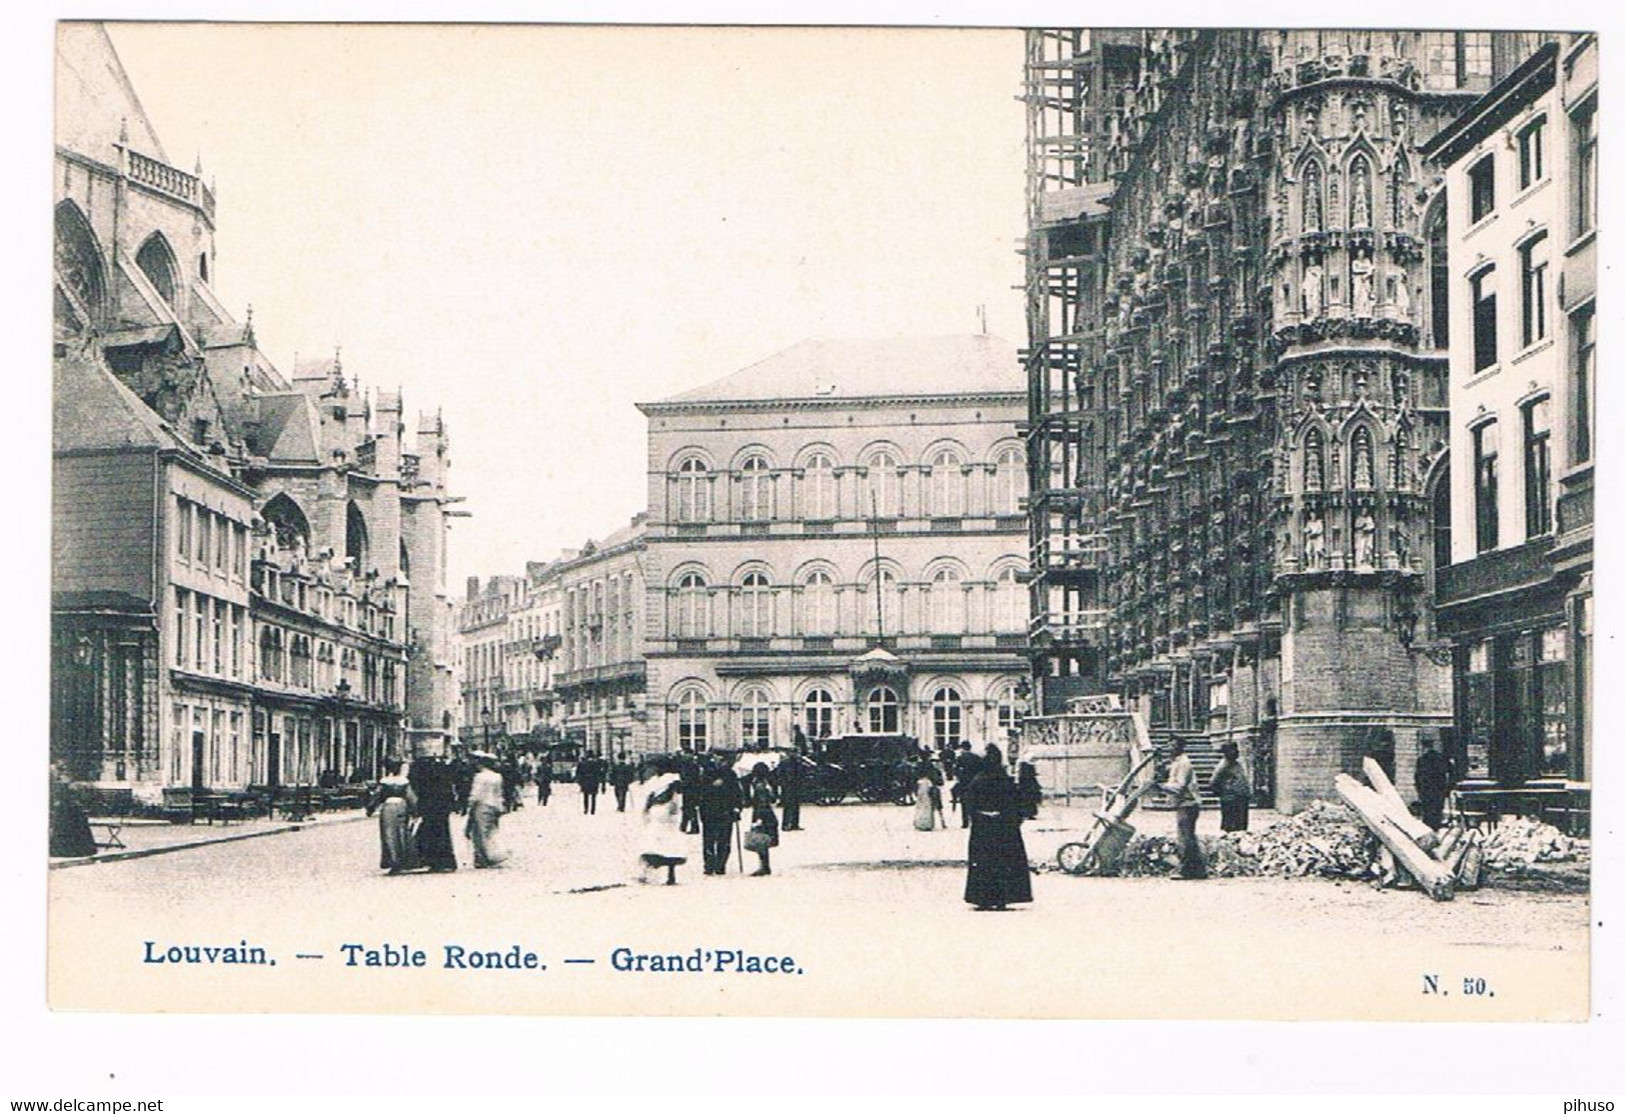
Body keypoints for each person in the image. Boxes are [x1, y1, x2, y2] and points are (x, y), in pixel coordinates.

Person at [962, 745, 1033, 911]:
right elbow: (1017, 804)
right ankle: (1003, 898)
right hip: (1004, 827)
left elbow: (970, 803)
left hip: (983, 826)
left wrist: (979, 816)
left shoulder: (978, 780)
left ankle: (983, 898)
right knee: (1004, 862)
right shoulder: (1005, 780)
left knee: (984, 862)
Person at [1155, 738, 1207, 880]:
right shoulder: (1176, 762)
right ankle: (1198, 870)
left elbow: (1180, 786)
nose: (1170, 749)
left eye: (1173, 746)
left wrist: (1161, 787)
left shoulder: (1184, 764)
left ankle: (1186, 870)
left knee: (1185, 839)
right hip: (1184, 804)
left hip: (1188, 804)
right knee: (1188, 837)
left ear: (1179, 748)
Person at [635, 759, 688, 885]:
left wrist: (648, 808)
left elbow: (663, 798)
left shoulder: (667, 781)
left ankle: (647, 873)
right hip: (664, 816)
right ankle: (670, 875)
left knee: (653, 844)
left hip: (662, 814)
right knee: (668, 846)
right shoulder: (666, 781)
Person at [367, 758, 418, 875]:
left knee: (389, 834)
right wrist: (415, 810)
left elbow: (377, 796)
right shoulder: (404, 781)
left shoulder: (385, 781)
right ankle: (405, 859)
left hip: (388, 808)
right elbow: (411, 797)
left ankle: (393, 860)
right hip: (401, 806)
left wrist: (370, 808)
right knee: (402, 832)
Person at [411, 756, 459, 872]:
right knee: (442, 833)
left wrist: (417, 809)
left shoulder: (422, 775)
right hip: (442, 807)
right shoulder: (442, 774)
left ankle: (431, 860)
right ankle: (444, 861)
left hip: (429, 808)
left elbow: (419, 792)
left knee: (429, 833)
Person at [696, 758, 742, 875]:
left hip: (726, 811)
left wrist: (737, 808)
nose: (719, 762)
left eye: (722, 760)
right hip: (709, 812)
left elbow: (737, 793)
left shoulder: (730, 775)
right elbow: (700, 792)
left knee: (724, 840)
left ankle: (721, 865)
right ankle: (709, 865)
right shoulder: (706, 774)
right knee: (709, 840)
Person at [465, 753, 509, 868]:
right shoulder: (497, 776)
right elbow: (499, 793)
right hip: (495, 805)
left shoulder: (480, 777)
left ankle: (484, 857)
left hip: (482, 805)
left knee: (480, 832)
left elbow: (476, 794)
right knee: (492, 830)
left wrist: (470, 804)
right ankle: (495, 853)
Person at [48, 763, 97, 859]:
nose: (64, 772)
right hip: (67, 808)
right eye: (63, 769)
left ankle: (74, 849)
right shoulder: (63, 782)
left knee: (74, 827)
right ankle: (72, 849)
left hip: (68, 808)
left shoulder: (67, 782)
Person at [744, 762, 780, 876]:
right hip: (768, 813)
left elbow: (761, 802)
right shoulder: (768, 783)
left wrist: (758, 818)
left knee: (760, 840)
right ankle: (764, 865)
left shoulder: (759, 785)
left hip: (762, 814)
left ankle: (764, 866)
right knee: (764, 840)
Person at [1208, 742, 1251, 833]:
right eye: (1233, 750)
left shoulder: (1236, 764)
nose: (1236, 752)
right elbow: (1213, 782)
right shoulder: (1223, 766)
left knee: (1241, 826)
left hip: (1240, 798)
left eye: (1236, 750)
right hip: (1231, 800)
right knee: (1231, 826)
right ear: (1226, 752)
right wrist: (1225, 793)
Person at [1414, 734, 1452, 830]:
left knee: (1427, 810)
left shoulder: (1422, 760)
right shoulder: (1441, 758)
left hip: (1426, 788)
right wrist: (1449, 787)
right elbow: (1452, 772)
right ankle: (1436, 826)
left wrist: (1418, 788)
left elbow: (1417, 776)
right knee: (1437, 809)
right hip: (1439, 788)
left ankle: (1428, 827)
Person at [951, 743, 981, 829]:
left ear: (963, 748)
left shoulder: (960, 758)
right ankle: (974, 820)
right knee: (975, 802)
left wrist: (959, 777)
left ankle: (965, 822)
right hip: (974, 782)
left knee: (964, 802)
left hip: (964, 782)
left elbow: (956, 770)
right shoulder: (976, 757)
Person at [776, 752, 804, 832]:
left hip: (796, 786)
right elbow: (779, 774)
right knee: (788, 806)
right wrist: (783, 784)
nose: (797, 754)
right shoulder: (785, 762)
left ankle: (795, 824)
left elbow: (801, 773)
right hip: (787, 787)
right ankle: (785, 824)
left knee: (796, 806)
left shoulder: (798, 762)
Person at [912, 759, 942, 832]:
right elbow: (938, 781)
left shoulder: (917, 770)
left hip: (920, 787)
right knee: (929, 806)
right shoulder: (932, 772)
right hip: (929, 787)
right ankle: (927, 823)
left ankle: (920, 822)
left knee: (921, 805)